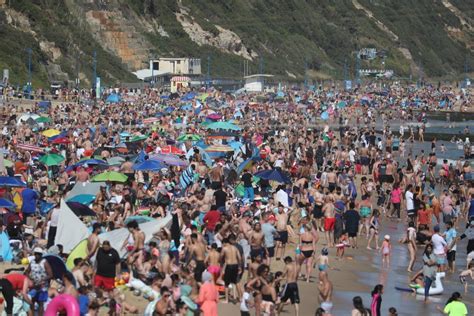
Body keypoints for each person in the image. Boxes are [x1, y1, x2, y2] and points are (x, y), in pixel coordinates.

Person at [25, 247, 53, 316]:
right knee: (32, 302)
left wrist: (43, 279)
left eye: (39, 254)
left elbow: (50, 275)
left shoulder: (45, 262)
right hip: (34, 285)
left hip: (42, 287)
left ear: (41, 255)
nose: (37, 255)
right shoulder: (32, 262)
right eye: (36, 254)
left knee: (41, 303)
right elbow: (27, 272)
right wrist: (30, 278)